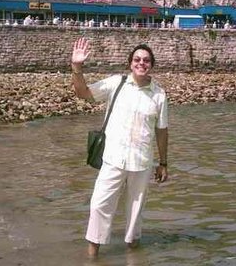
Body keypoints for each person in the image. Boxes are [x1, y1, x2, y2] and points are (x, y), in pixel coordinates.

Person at [71, 37, 169, 257]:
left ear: (151, 64)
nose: (141, 63)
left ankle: (133, 256)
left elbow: (161, 131)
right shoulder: (117, 83)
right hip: (113, 158)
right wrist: (77, 67)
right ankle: (92, 256)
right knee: (99, 206)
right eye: (137, 59)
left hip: (142, 162)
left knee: (135, 213)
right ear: (130, 63)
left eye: (146, 60)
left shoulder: (159, 95)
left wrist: (163, 163)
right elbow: (83, 93)